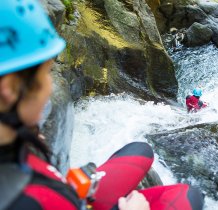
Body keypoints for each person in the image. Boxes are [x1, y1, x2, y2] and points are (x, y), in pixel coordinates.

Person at [0, 1, 204, 210]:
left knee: (142, 150)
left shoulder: (14, 141)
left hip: (69, 193)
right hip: (65, 200)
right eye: (46, 74)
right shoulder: (26, 201)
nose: (50, 85)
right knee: (189, 196)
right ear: (10, 90)